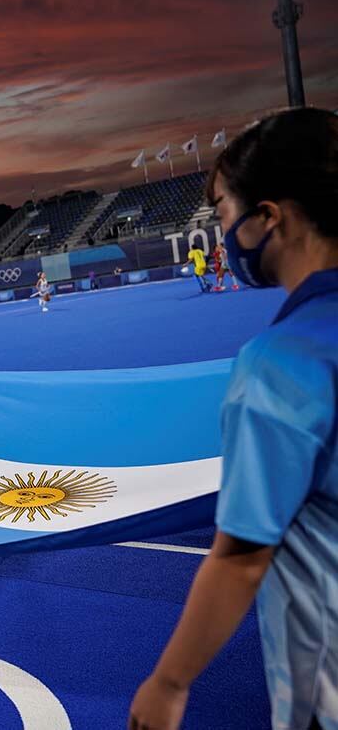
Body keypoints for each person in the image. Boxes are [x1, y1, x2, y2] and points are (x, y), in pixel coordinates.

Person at [129, 107, 338, 730]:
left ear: (269, 217)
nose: (224, 232)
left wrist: (168, 682)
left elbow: (243, 555)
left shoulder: (281, 364)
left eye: (224, 213)